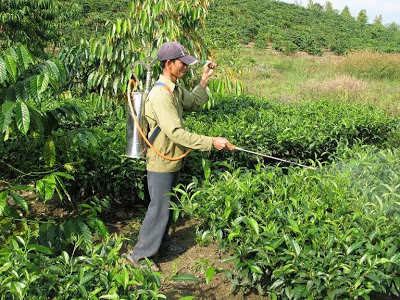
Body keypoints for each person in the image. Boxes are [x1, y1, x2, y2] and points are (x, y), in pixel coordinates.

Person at [126, 41, 235, 270]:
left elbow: (194, 101)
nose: (186, 67)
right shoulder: (160, 94)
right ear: (168, 64)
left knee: (167, 206)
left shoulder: (174, 89)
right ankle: (140, 256)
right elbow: (175, 133)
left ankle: (162, 244)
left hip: (173, 159)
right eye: (182, 63)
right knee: (158, 208)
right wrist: (211, 141)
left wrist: (204, 78)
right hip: (161, 160)